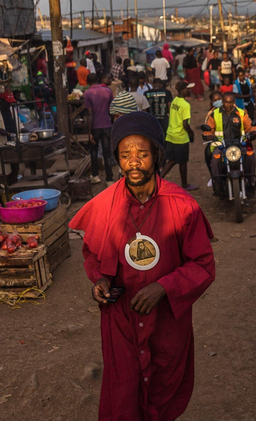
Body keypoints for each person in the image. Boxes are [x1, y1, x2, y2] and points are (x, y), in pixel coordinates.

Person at [68, 110, 215, 421]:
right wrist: (100, 281)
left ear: (157, 155)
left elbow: (202, 265)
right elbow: (93, 253)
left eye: (142, 153)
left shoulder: (182, 206)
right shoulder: (105, 204)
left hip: (165, 321)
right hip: (120, 318)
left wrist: (164, 286)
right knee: (123, 393)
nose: (133, 162)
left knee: (163, 389)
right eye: (125, 154)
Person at [203, 91, 256, 197]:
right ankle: (218, 185)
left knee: (250, 156)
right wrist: (208, 134)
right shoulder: (214, 114)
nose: (228, 105)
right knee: (215, 159)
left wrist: (254, 131)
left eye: (231, 102)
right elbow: (208, 130)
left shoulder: (241, 113)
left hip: (239, 145)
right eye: (226, 102)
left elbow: (250, 126)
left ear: (234, 102)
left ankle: (250, 182)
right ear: (222, 102)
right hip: (221, 146)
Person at [160, 81, 197, 191]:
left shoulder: (174, 101)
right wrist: (191, 134)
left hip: (171, 134)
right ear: (182, 90)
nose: (189, 90)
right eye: (187, 88)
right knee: (182, 161)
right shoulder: (185, 105)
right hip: (180, 137)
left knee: (172, 160)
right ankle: (184, 184)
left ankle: (158, 179)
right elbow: (185, 124)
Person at [84, 73, 115, 184]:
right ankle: (109, 178)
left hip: (95, 127)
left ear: (88, 82)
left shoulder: (88, 93)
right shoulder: (107, 91)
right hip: (107, 125)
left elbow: (90, 113)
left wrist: (89, 132)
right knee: (107, 152)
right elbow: (112, 109)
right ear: (98, 79)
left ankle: (95, 175)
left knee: (94, 151)